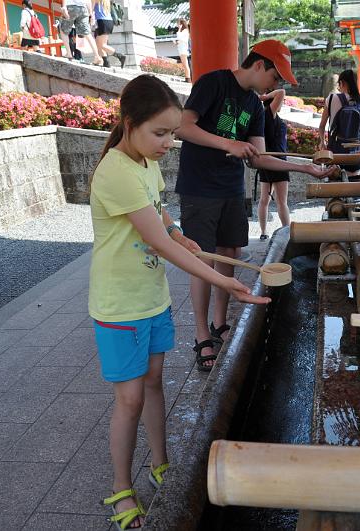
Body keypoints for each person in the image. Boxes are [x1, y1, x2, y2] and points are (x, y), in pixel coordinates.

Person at [90, 74, 270, 529]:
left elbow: (160, 219)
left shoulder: (145, 163)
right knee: (129, 399)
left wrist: (180, 233)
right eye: (160, 133)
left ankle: (161, 461)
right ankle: (118, 488)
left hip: (150, 299)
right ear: (128, 123)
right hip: (119, 308)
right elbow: (159, 244)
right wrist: (223, 282)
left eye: (173, 132)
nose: (169, 142)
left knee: (154, 384)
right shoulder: (115, 171)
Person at [175, 39, 335, 371]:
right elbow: (183, 127)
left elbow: (260, 157)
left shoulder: (254, 105)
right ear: (260, 64)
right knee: (203, 259)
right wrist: (228, 143)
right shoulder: (213, 83)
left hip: (233, 188)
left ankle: (220, 323)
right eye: (277, 77)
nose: (277, 85)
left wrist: (303, 168)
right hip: (200, 188)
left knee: (229, 253)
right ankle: (202, 335)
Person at [318, 68, 360, 176]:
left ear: (341, 83)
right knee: (351, 188)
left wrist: (322, 142)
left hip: (335, 154)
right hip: (354, 156)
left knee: (333, 189)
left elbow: (322, 125)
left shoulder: (332, 98)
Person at [257, 88, 290, 240]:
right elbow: (281, 92)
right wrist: (264, 96)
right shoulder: (268, 113)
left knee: (265, 199)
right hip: (278, 162)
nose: (282, 102)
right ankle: (288, 233)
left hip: (266, 162)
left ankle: (263, 233)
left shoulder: (263, 116)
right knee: (281, 202)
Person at [60, 0, 102, 66]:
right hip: (83, 8)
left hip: (71, 6)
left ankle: (69, 53)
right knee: (87, 33)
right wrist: (91, 14)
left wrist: (64, 6)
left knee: (63, 30)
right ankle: (97, 56)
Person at [93, 0, 126, 68]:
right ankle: (106, 62)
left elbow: (90, 8)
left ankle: (120, 56)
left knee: (102, 44)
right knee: (99, 43)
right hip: (109, 21)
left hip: (102, 21)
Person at [174, 18, 191, 83]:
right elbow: (180, 39)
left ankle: (188, 78)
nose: (177, 25)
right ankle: (187, 77)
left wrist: (179, 29)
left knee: (185, 64)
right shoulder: (184, 31)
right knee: (184, 64)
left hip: (183, 50)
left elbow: (180, 37)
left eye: (178, 23)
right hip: (182, 49)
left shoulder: (185, 31)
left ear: (181, 24)